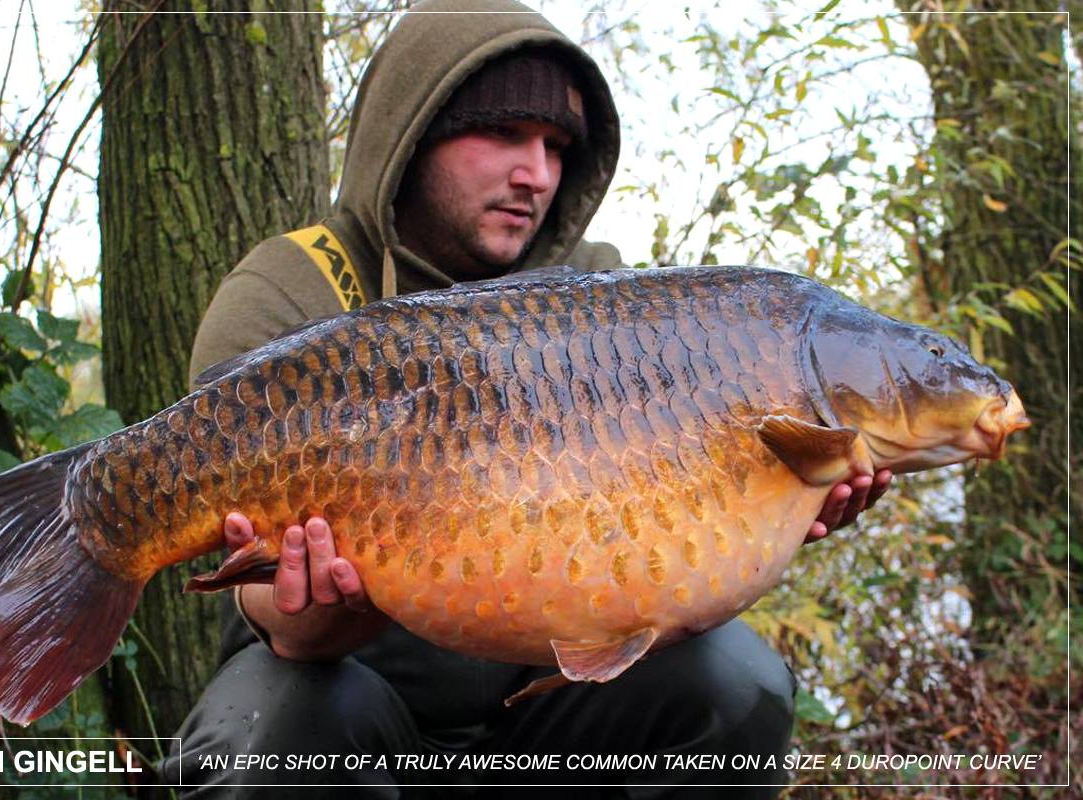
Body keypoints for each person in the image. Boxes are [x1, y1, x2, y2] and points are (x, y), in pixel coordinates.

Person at [163, 0, 890, 796]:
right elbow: (279, 620)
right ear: (410, 134)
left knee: (733, 680)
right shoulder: (290, 291)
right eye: (506, 133)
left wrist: (766, 508)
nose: (536, 174)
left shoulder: (609, 301)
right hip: (348, 701)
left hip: (547, 718)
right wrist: (316, 612)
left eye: (556, 147)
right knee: (271, 728)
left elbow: (663, 551)